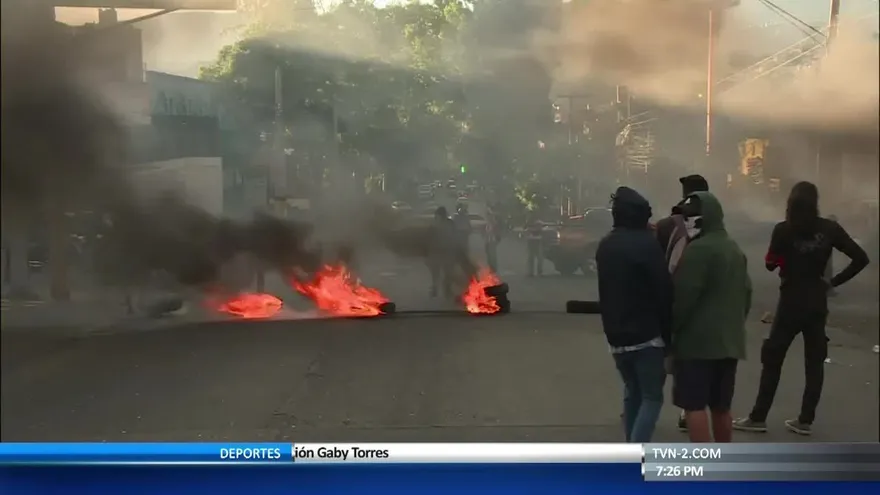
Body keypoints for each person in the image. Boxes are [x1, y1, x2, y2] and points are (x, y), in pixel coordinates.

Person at [733, 181, 869, 436]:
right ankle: (805, 420)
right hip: (817, 302)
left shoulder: (784, 230)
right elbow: (861, 258)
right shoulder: (829, 229)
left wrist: (785, 259)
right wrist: (832, 281)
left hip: (790, 302)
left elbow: (770, 264)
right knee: (814, 362)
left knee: (773, 358)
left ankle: (758, 416)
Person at [671, 191, 751, 443]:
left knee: (694, 406)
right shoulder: (733, 249)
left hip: (697, 345)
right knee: (721, 406)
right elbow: (746, 294)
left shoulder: (698, 251)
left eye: (690, 217)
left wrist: (671, 331)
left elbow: (683, 299)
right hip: (729, 344)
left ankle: (704, 465)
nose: (686, 222)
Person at [596, 186, 672, 443]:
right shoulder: (648, 246)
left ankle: (629, 449)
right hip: (647, 336)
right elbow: (663, 292)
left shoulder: (606, 245)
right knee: (652, 397)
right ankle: (636, 453)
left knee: (632, 391)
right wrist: (669, 338)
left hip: (616, 337)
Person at [654, 174, 709, 432]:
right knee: (693, 361)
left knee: (662, 355)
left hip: (670, 298)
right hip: (704, 302)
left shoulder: (668, 225)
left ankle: (645, 403)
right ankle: (690, 411)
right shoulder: (715, 225)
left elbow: (655, 263)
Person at [428, 206, 457, 298]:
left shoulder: (441, 224)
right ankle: (437, 289)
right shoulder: (437, 224)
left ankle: (445, 289)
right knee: (438, 273)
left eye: (437, 215)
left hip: (445, 252)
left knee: (445, 273)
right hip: (438, 252)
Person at [484, 204, 502, 272]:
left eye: (488, 215)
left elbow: (497, 231)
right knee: (489, 255)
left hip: (492, 241)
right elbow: (486, 233)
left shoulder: (494, 223)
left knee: (492, 255)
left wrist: (497, 238)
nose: (487, 216)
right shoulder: (487, 223)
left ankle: (493, 268)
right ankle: (491, 267)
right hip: (488, 241)